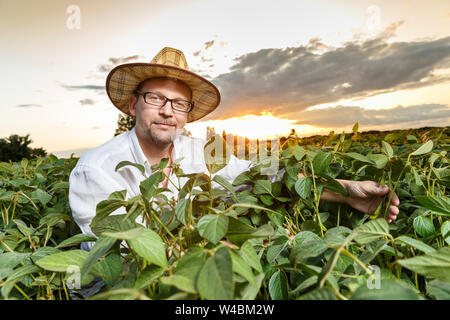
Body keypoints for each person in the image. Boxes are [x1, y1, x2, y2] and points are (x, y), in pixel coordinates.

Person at [68, 47, 400, 251]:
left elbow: (262, 177)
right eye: (155, 98)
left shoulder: (201, 150)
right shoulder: (95, 168)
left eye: (179, 103)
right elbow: (126, 250)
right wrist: (223, 246)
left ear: (187, 114)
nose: (168, 110)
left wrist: (346, 191)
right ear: (132, 105)